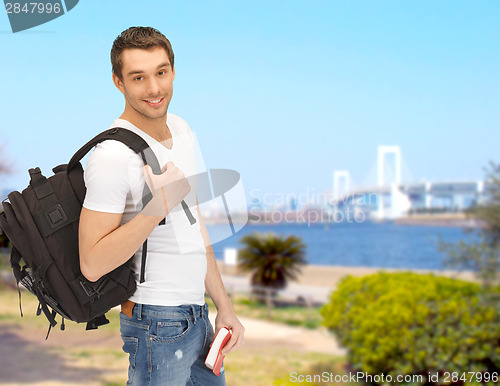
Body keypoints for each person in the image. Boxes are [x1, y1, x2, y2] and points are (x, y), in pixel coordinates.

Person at [78, 26, 244, 385]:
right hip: (154, 321)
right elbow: (91, 263)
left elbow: (194, 226)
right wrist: (157, 207)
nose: (154, 88)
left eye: (161, 72)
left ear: (173, 70)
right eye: (138, 77)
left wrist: (223, 305)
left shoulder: (182, 129)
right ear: (118, 82)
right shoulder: (111, 156)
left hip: (197, 317)